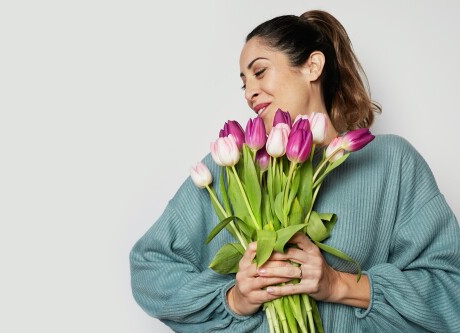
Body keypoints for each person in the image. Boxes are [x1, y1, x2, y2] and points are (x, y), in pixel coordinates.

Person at [130, 10, 460, 332]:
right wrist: (235, 299)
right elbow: (149, 268)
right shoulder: (233, 165)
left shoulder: (391, 163)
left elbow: (451, 291)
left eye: (259, 72)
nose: (249, 92)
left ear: (312, 66)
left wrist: (338, 284)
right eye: (243, 82)